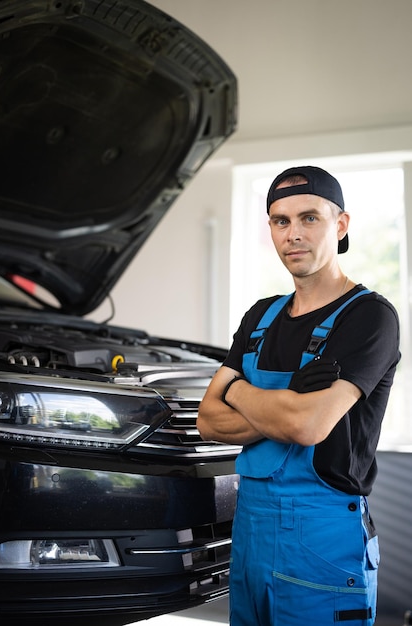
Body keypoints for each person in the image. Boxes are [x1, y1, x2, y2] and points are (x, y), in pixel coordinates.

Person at [197, 165, 400, 626]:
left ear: (341, 224)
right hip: (250, 523)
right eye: (280, 220)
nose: (293, 234)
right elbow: (208, 422)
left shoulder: (369, 318)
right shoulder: (260, 316)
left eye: (309, 218)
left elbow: (307, 427)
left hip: (322, 534)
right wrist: (290, 394)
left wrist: (237, 388)